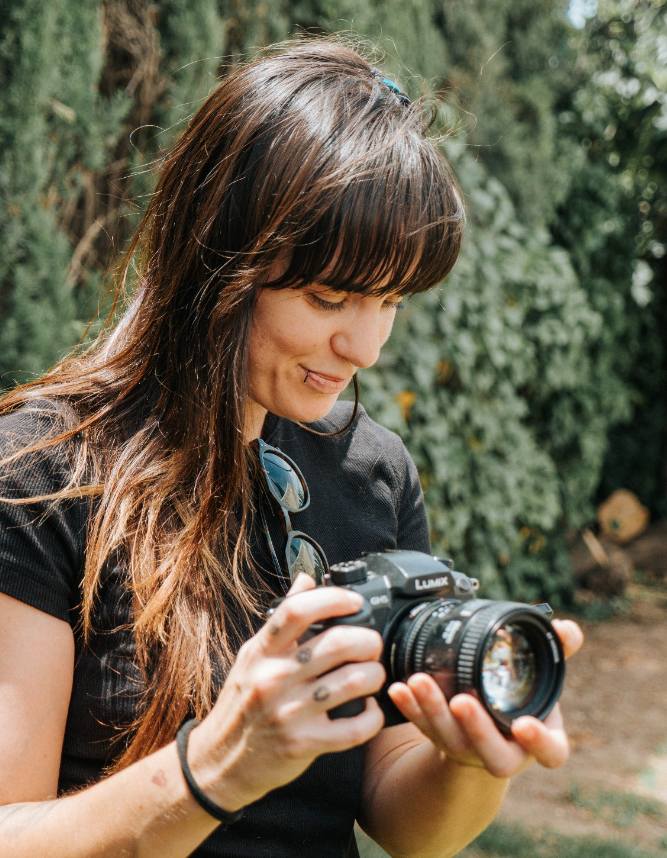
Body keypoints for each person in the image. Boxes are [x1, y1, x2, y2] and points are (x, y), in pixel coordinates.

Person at [0, 38, 583, 858]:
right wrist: (216, 769)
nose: (365, 347)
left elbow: (402, 818)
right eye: (329, 296)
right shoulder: (40, 474)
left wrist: (471, 758)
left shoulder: (372, 475)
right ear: (214, 262)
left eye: (390, 301)